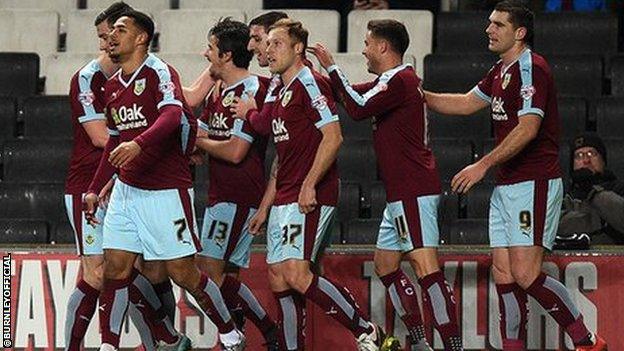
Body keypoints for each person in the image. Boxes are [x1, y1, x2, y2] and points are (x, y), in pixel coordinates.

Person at [423, 1, 607, 350]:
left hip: (533, 182)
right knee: (504, 274)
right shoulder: (499, 69)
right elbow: (465, 103)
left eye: (497, 25)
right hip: (508, 185)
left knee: (525, 274)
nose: (488, 29)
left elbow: (529, 128)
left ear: (519, 33)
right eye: (489, 23)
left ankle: (587, 341)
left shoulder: (532, 68)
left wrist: (482, 164)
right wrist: (417, 94)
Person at [82, 10, 245, 351]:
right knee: (115, 268)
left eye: (120, 30)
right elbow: (113, 139)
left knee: (183, 273)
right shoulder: (111, 86)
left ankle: (230, 335)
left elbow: (172, 115)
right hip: (127, 191)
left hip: (166, 191)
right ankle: (108, 346)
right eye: (110, 31)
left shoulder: (159, 71)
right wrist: (95, 188)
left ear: (141, 38)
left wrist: (138, 144)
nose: (111, 35)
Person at [235, 18, 391, 351]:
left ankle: (366, 329)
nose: (269, 50)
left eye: (277, 44)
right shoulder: (280, 89)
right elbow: (281, 154)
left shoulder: (310, 83)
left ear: (297, 48)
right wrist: (265, 206)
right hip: (284, 196)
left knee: (295, 272)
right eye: (269, 44)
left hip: (310, 194)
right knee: (278, 278)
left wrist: (309, 185)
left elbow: (333, 137)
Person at [310, 19, 462, 351]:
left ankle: (452, 346)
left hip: (413, 189)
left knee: (426, 268)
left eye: (366, 43)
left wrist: (332, 67)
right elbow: (346, 94)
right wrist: (312, 74)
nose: (363, 49)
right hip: (400, 193)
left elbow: (357, 107)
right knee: (386, 265)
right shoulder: (390, 82)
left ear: (382, 46)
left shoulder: (401, 80)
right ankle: (421, 343)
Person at [64, 4, 184, 351]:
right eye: (103, 36)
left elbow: (180, 105)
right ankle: (160, 336)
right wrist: (146, 143)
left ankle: (162, 339)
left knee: (152, 270)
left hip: (131, 182)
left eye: (115, 33)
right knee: (99, 273)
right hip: (90, 181)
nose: (107, 41)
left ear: (135, 37)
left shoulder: (149, 73)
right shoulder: (88, 79)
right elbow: (105, 139)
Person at [192, 17, 279, 349]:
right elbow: (205, 131)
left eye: (211, 48)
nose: (206, 54)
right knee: (225, 276)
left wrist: (201, 144)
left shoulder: (253, 89)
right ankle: (266, 331)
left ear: (226, 55)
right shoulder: (218, 89)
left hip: (238, 196)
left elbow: (235, 151)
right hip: (221, 195)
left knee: (207, 274)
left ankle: (234, 336)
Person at [558, 133, 624, 244]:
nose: (586, 160)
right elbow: (555, 225)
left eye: (591, 153)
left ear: (603, 161)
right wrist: (603, 221)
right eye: (579, 156)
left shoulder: (619, 188)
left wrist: (593, 192)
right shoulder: (564, 195)